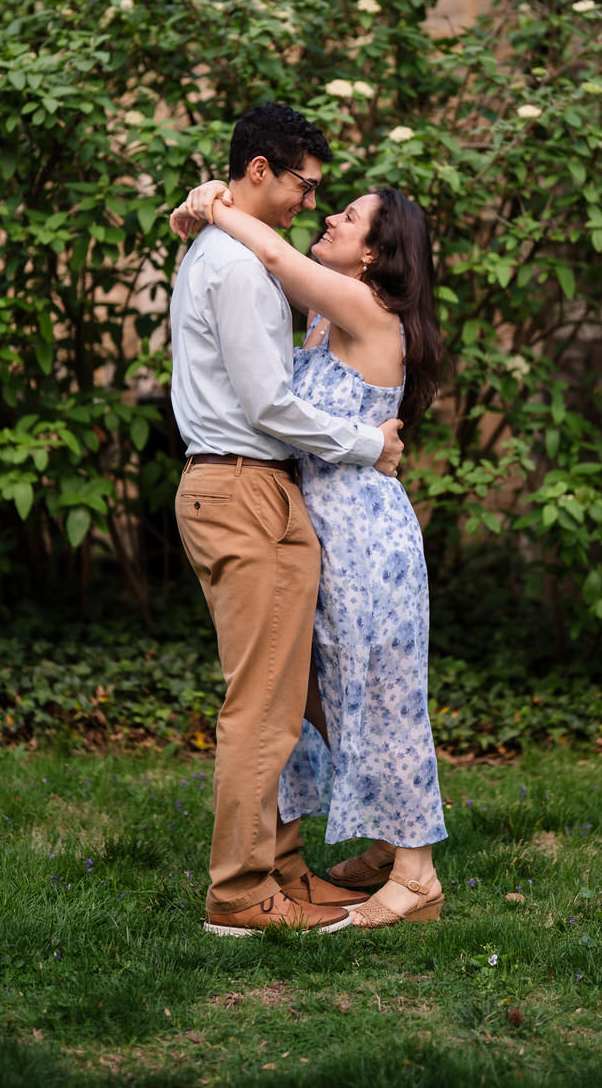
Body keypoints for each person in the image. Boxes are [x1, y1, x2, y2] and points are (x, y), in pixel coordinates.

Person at [175, 169, 448, 930]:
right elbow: (251, 277)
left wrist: (216, 203)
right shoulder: (332, 318)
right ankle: (388, 844)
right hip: (318, 525)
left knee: (383, 695)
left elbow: (268, 250)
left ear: (374, 255)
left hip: (363, 533)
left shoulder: (362, 306)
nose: (328, 217)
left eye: (349, 216)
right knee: (324, 696)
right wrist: (211, 201)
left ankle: (418, 874)